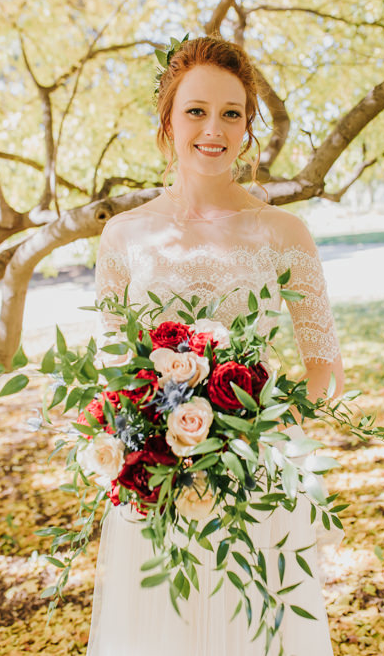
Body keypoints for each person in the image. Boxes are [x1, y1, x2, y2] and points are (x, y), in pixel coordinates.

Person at [86, 36, 344, 656]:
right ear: (168, 121)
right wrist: (152, 452)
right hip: (154, 490)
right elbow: (110, 372)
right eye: (196, 110)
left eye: (232, 113)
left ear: (248, 127)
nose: (213, 128)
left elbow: (324, 368)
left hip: (254, 490)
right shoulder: (123, 236)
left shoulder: (284, 232)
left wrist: (243, 442)